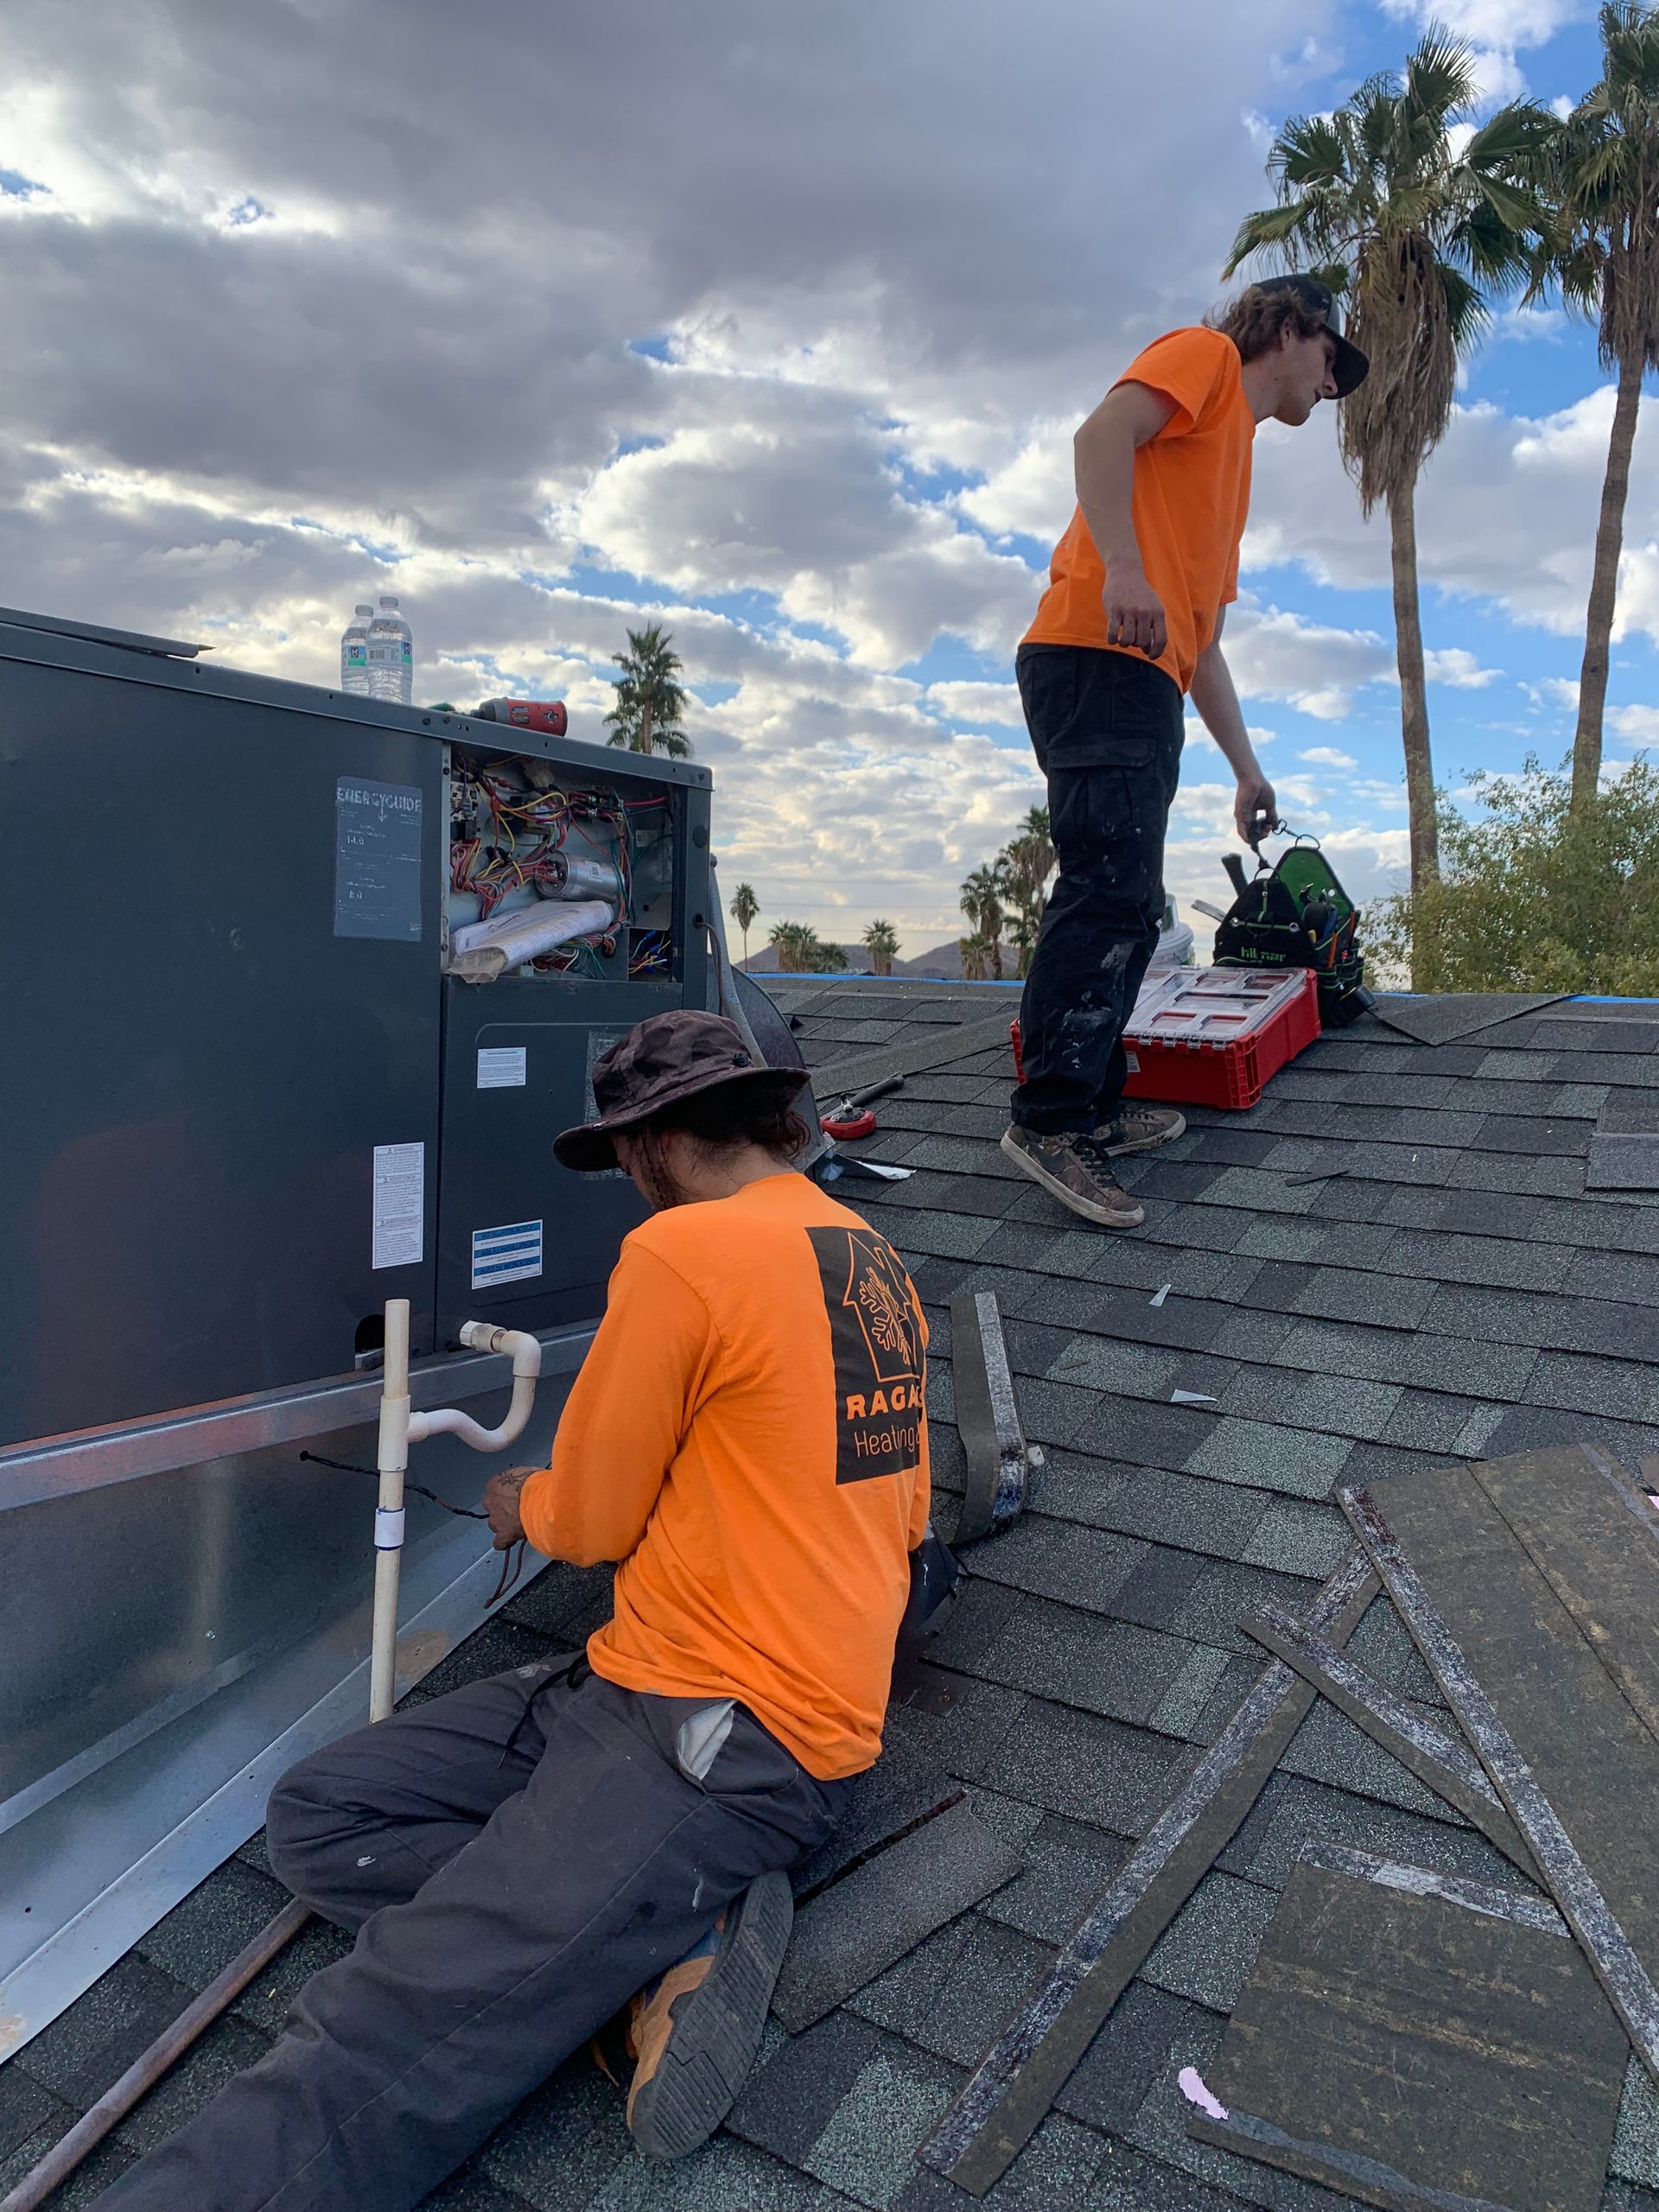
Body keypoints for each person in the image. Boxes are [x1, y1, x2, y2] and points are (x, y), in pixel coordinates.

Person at [95, 1009, 930, 2212]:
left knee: (388, 2024)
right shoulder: (860, 1250)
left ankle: (601, 1928)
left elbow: (586, 1521)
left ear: (655, 1145)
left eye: (626, 1161)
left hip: (728, 1739)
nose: (630, 1189)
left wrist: (518, 1500)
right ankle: (646, 1942)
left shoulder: (687, 1254)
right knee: (326, 1815)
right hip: (660, 1687)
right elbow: (895, 1522)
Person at [1002, 274, 1370, 1230]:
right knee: (1108, 888)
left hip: (1144, 674)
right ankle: (1047, 1122)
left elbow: (1199, 638)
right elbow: (1098, 436)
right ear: (1290, 329)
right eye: (1335, 359)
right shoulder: (1206, 357)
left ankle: (1088, 1105)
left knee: (1132, 899)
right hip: (1091, 650)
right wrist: (1121, 565)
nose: (1335, 387)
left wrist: (1246, 766)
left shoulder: (1231, 463)